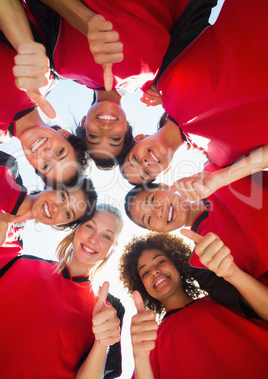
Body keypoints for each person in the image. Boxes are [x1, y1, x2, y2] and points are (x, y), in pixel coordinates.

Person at [13, 0, 237, 167]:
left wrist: (85, 20)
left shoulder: (57, 64)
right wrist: (170, 89)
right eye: (115, 138)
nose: (105, 128)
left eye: (93, 136)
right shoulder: (159, 78)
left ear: (83, 122)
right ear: (128, 126)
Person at [121, 0, 268, 186]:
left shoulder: (165, 73)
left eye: (135, 159)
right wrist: (221, 178)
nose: (145, 163)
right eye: (146, 173)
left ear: (139, 138)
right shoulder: (223, 163)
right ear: (166, 170)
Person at [119, 232, 268, 379]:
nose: (154, 271)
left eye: (160, 261)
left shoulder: (224, 296)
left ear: (177, 263)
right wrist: (139, 357)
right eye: (145, 273)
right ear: (142, 286)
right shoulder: (150, 344)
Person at [0, 203, 125, 378]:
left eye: (106, 236)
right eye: (89, 226)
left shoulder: (109, 309)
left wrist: (101, 342)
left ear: (113, 248)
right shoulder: (17, 262)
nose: (94, 239)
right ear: (76, 228)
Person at [124, 161, 268, 310]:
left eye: (153, 200)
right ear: (156, 230)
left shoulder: (213, 169)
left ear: (165, 186)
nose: (158, 212)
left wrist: (223, 176)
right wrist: (232, 273)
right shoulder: (202, 264)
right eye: (148, 219)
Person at [0, 0, 90, 186]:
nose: (46, 154)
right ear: (63, 134)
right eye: (60, 152)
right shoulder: (44, 73)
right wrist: (26, 46)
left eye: (46, 166)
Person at [0, 150, 97, 247]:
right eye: (62, 197)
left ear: (62, 224)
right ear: (52, 183)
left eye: (67, 213)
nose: (55, 208)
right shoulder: (6, 167)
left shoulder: (13, 248)